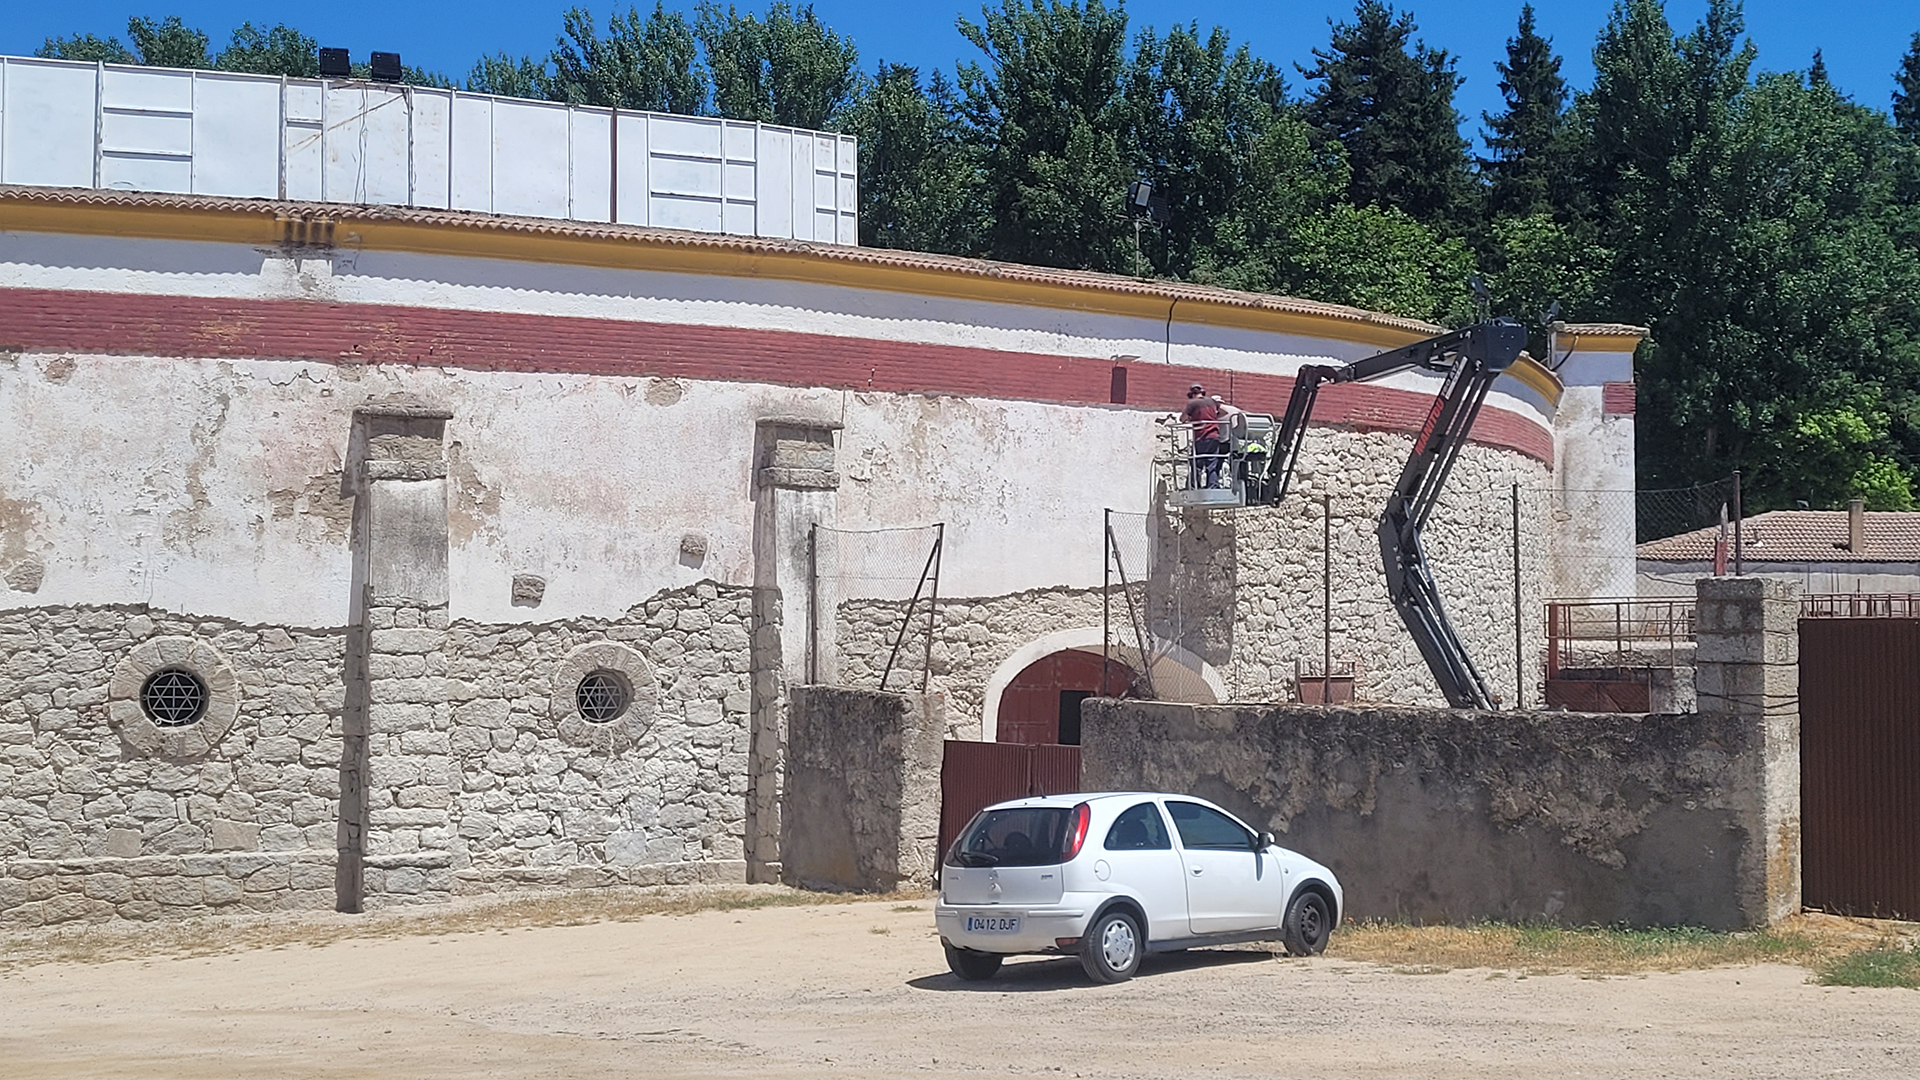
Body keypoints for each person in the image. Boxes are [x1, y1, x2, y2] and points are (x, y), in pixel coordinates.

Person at [1182, 384, 1226, 488]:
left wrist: (1192, 419)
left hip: (1201, 436)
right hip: (1214, 436)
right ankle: (1212, 486)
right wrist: (1214, 417)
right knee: (1212, 464)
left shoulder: (1192, 403)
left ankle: (1194, 486)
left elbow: (1182, 418)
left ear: (1192, 394)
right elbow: (1224, 411)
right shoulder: (1212, 401)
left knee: (1197, 463)